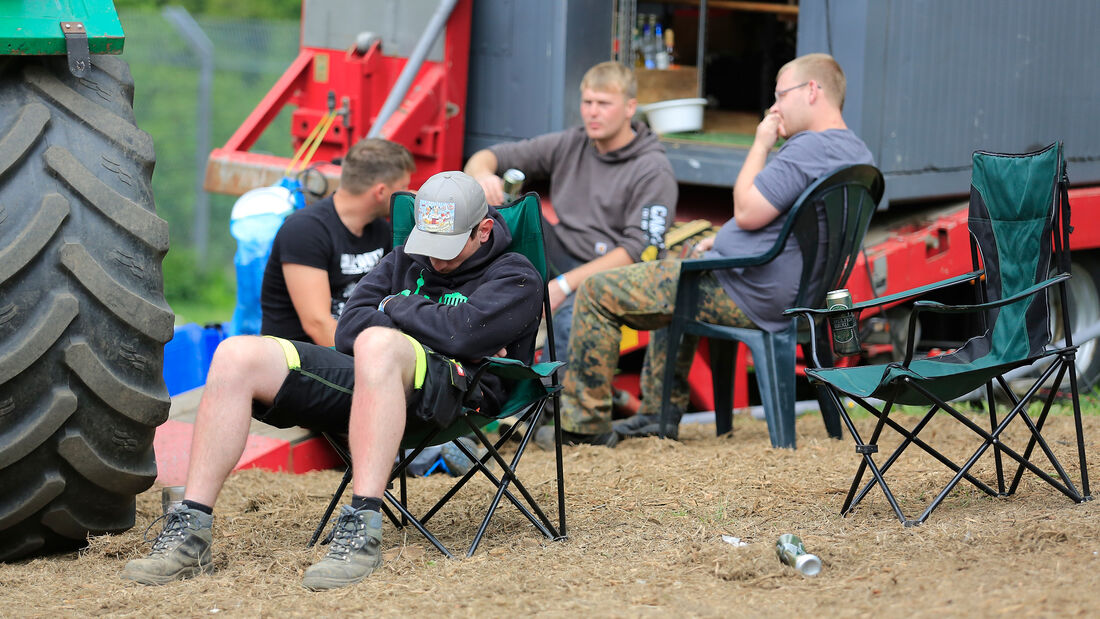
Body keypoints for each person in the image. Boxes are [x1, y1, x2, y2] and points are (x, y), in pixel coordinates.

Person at [122, 172, 544, 590]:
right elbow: (347, 328)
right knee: (238, 354)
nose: (434, 261)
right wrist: (434, 323)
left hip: (458, 389)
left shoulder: (516, 275)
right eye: (427, 245)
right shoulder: (404, 259)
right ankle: (190, 532)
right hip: (371, 380)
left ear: (484, 230)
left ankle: (362, 528)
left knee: (378, 342)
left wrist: (396, 307)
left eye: (448, 248)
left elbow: (464, 334)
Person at [536, 53, 875, 449]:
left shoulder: (806, 149)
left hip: (750, 291)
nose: (774, 107)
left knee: (597, 291)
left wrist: (762, 142)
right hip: (797, 292)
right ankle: (657, 416)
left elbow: (747, 210)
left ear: (812, 91)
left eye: (781, 96)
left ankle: (583, 428)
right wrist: (728, 239)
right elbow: (789, 221)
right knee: (675, 275)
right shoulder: (856, 152)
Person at [464, 61, 677, 359]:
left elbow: (637, 252)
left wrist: (562, 286)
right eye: (587, 102)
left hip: (613, 271)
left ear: (630, 108)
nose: (592, 112)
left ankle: (554, 401)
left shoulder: (653, 169)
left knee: (569, 320)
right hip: (564, 252)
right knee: (504, 212)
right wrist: (483, 177)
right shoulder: (572, 142)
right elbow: (486, 157)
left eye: (604, 104)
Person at [261, 138, 415, 346]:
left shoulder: (380, 229)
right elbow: (319, 326)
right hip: (302, 361)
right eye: (403, 187)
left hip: (357, 349)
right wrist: (371, 362)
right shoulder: (305, 230)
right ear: (380, 192)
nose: (409, 194)